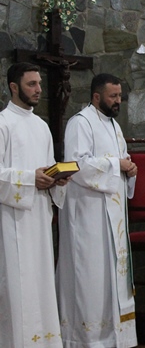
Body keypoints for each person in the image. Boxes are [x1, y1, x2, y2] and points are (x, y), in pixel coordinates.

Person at [56, 73, 138, 348]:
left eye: (119, 96)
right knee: (89, 277)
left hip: (110, 215)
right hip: (87, 215)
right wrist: (118, 165)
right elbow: (76, 165)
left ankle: (114, 337)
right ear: (96, 96)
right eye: (113, 96)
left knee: (110, 278)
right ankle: (86, 339)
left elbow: (121, 160)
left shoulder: (113, 126)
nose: (118, 101)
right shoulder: (81, 123)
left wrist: (129, 169)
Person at [0, 63, 68, 348]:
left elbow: (47, 167)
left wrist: (56, 179)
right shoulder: (3, 123)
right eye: (31, 84)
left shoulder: (41, 127)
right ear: (14, 87)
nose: (39, 89)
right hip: (13, 218)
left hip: (39, 216)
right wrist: (30, 178)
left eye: (39, 83)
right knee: (18, 283)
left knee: (40, 283)